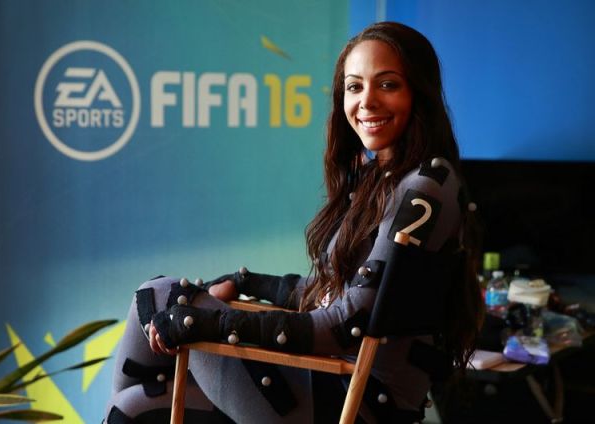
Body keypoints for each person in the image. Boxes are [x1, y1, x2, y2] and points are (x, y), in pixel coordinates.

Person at [105, 21, 484, 424]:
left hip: (357, 400)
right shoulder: (379, 178)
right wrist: (246, 282)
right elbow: (326, 293)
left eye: (387, 84)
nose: (367, 101)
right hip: (329, 380)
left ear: (419, 92)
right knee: (135, 405)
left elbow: (349, 323)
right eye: (354, 87)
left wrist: (211, 323)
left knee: (162, 294)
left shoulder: (426, 186)